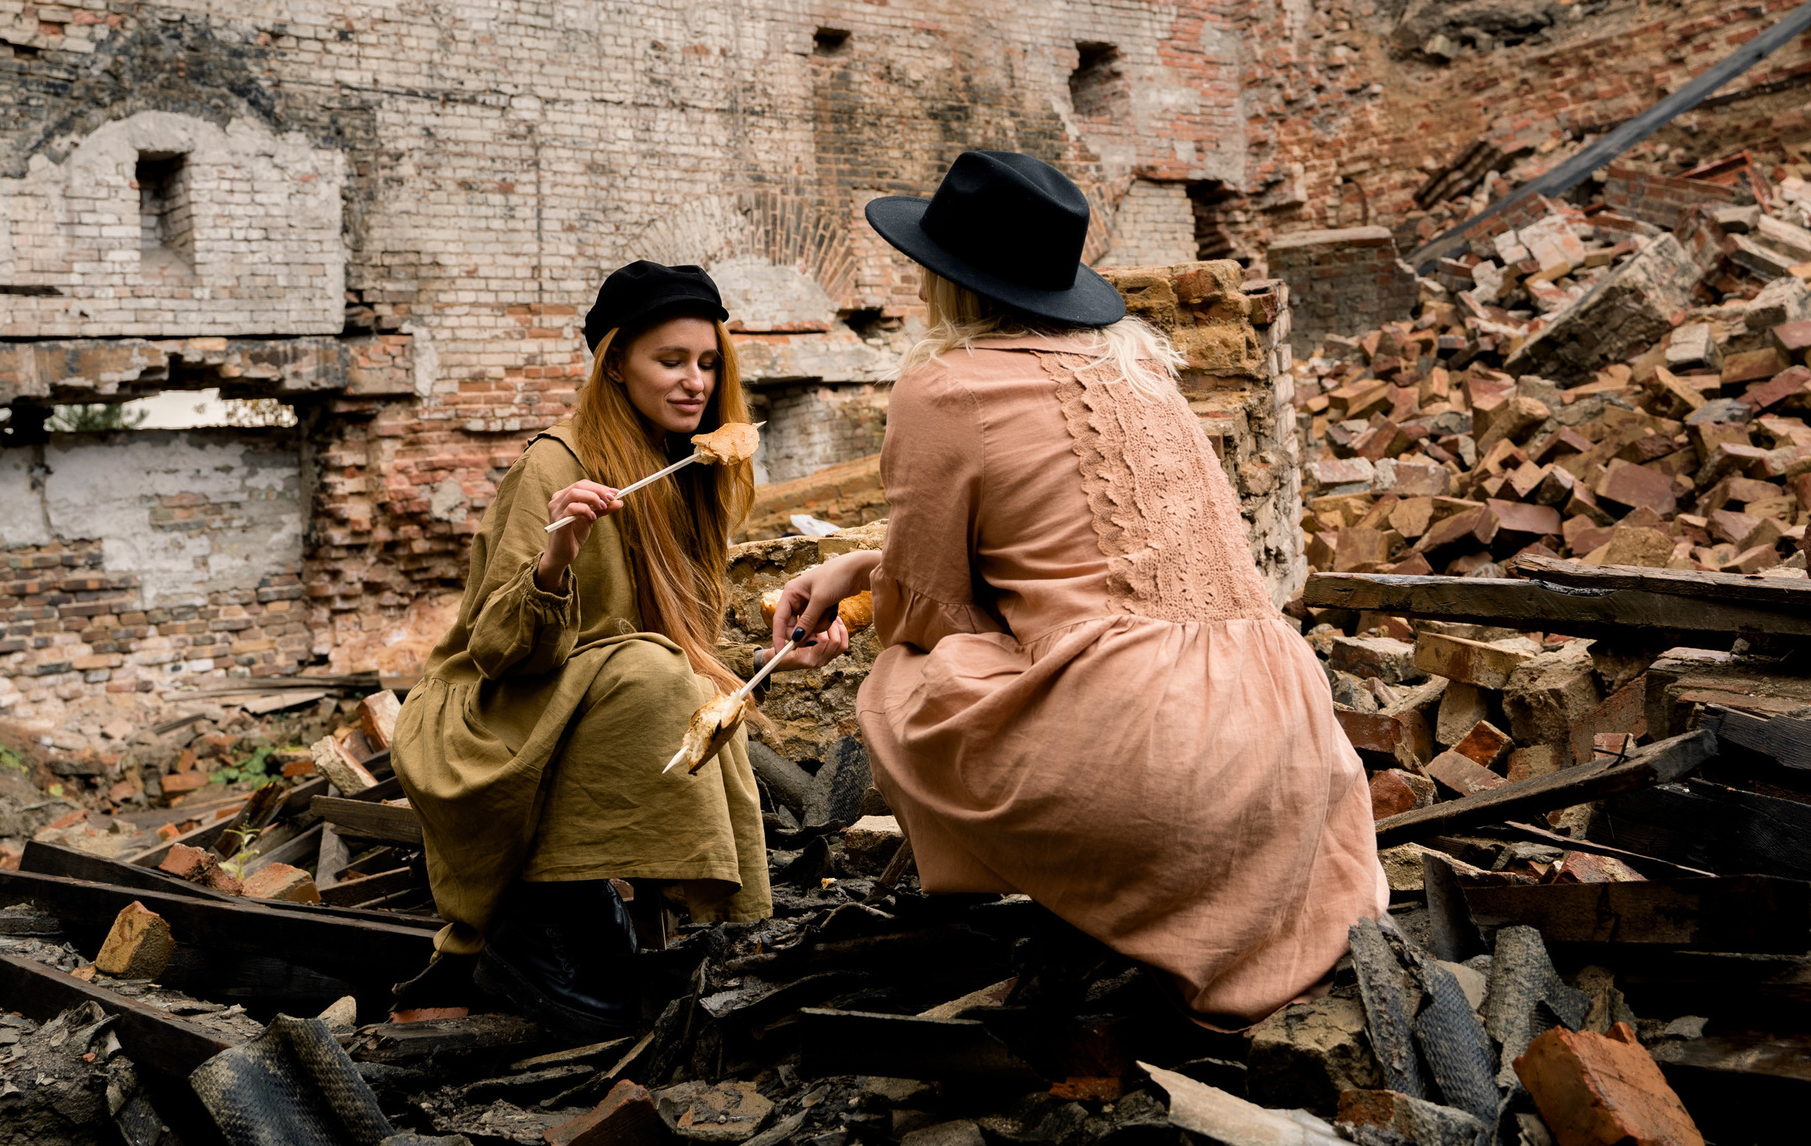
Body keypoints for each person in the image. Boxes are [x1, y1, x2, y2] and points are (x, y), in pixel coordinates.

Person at [771, 150, 1387, 1026]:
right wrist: (862, 566)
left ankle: (1101, 885)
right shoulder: (1141, 368)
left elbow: (930, 606)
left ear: (945, 277)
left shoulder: (943, 387)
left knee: (903, 684)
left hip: (1158, 758)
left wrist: (873, 592)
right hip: (1292, 743)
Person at [391, 261, 770, 1039]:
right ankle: (539, 907)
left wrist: (781, 653)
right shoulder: (554, 465)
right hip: (495, 708)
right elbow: (499, 649)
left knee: (689, 679)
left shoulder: (689, 472)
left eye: (707, 363)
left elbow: (689, 632)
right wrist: (556, 555)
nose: (694, 381)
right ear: (617, 364)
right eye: (671, 361)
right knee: (659, 675)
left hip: (587, 699)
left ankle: (626, 919)